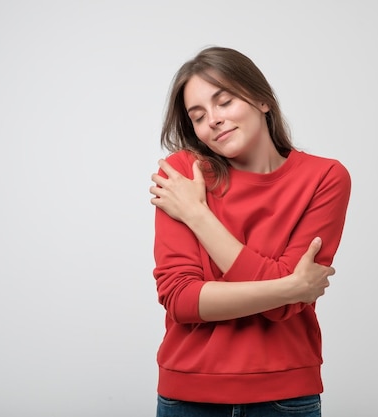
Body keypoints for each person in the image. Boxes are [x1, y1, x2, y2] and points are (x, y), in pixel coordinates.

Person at [149, 46, 351, 417]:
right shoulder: (182, 174)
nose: (213, 120)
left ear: (261, 99)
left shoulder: (324, 178)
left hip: (285, 397)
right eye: (198, 115)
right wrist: (289, 286)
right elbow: (180, 299)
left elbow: (285, 310)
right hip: (188, 396)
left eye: (224, 102)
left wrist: (197, 215)